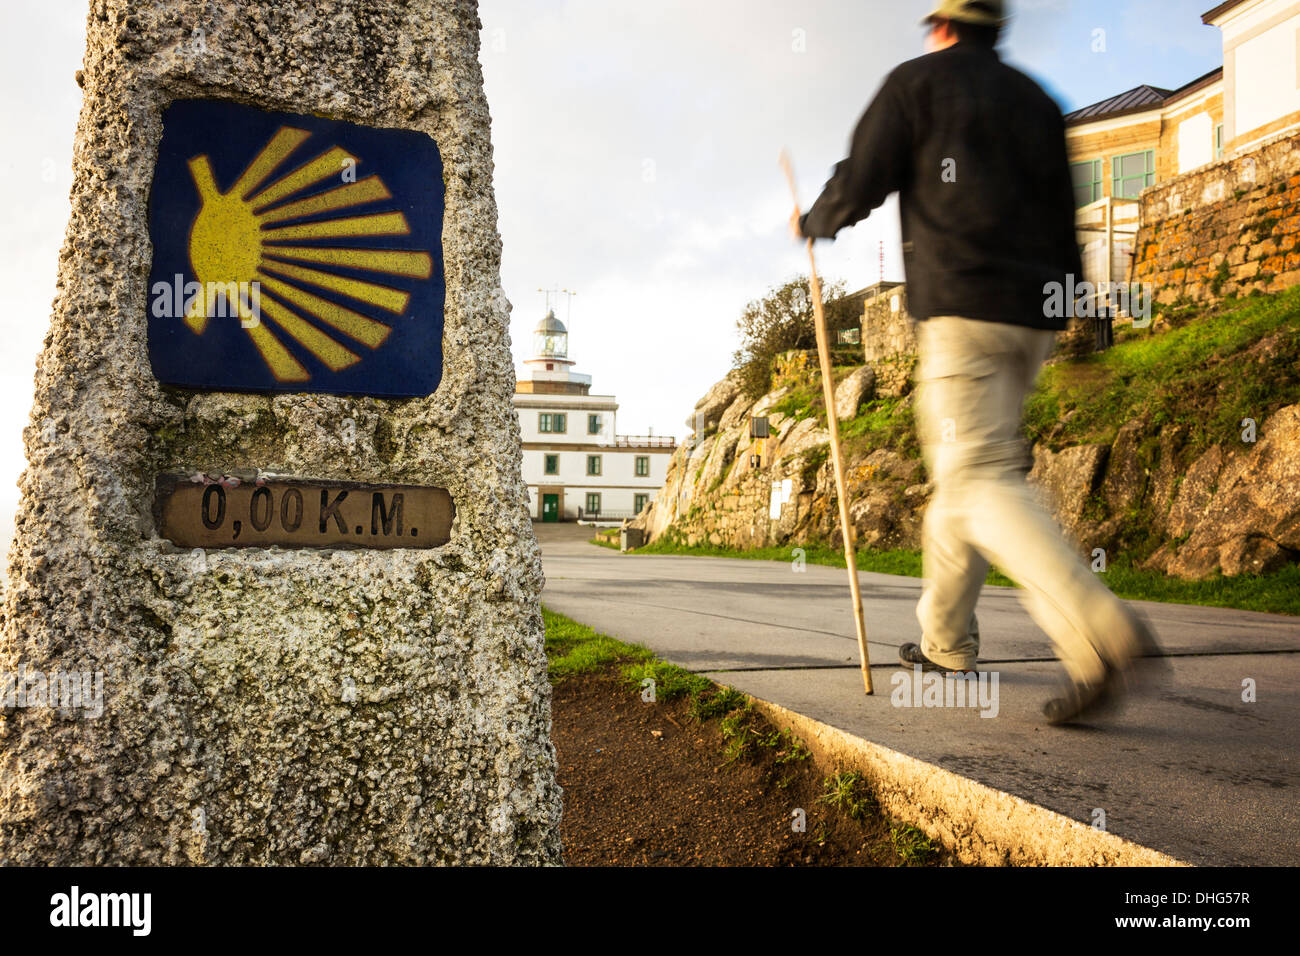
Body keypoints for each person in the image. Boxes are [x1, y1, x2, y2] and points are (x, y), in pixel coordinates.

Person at [790, 0, 1164, 723]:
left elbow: (864, 174)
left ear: (940, 26)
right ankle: (947, 643)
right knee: (960, 486)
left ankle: (1101, 634)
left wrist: (817, 220)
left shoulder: (916, 84)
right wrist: (1085, 326)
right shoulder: (1037, 102)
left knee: (976, 479)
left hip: (963, 312)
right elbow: (1066, 221)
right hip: (1034, 323)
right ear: (997, 28)